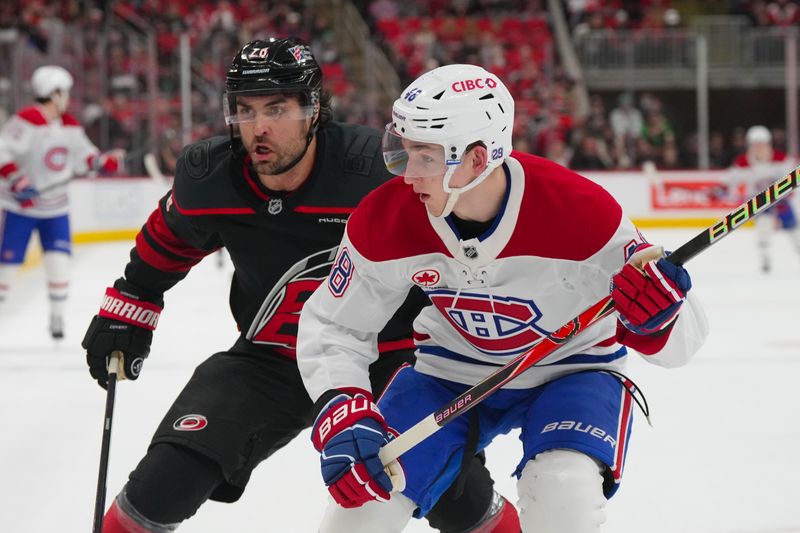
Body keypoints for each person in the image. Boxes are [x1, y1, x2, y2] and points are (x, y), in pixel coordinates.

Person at [81, 39, 519, 533]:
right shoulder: (212, 178)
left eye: (277, 108)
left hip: (390, 362)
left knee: (460, 502)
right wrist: (132, 301)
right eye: (245, 110)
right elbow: (170, 238)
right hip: (271, 359)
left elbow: (467, 239)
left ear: (314, 111)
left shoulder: (378, 174)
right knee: (162, 483)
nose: (258, 128)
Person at [296, 64, 710, 533]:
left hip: (573, 368)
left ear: (476, 159)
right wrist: (343, 407)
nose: (408, 174)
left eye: (426, 157)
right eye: (404, 151)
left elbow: (683, 344)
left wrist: (658, 316)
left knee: (562, 494)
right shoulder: (385, 217)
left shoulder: (580, 212)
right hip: (449, 372)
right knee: (359, 515)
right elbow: (335, 324)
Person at [0, 65, 122, 339]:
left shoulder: (69, 125)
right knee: (6, 272)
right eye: (64, 92)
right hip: (21, 207)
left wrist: (103, 161)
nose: (67, 98)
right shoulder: (27, 120)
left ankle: (56, 319)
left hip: (55, 207)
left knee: (59, 264)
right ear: (54, 93)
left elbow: (85, 156)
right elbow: (3, 150)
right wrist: (16, 179)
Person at [728, 124, 800, 273]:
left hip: (781, 200)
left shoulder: (781, 158)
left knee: (793, 228)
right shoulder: (742, 162)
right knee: (763, 228)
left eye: (762, 144)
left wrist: (789, 193)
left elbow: (794, 175)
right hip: (759, 202)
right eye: (755, 144)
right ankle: (765, 259)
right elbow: (731, 180)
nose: (759, 147)